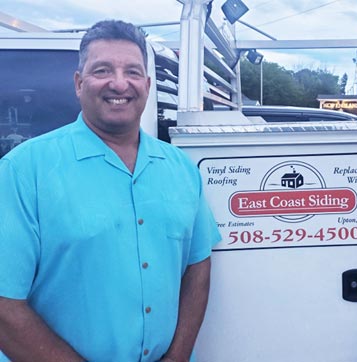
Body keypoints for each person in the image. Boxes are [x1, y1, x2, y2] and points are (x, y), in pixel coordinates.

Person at [0, 20, 220, 362]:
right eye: (102, 70)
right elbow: (4, 306)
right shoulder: (23, 171)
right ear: (78, 83)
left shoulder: (180, 168)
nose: (119, 83)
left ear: (147, 85)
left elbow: (198, 265)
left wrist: (177, 356)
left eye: (132, 72)